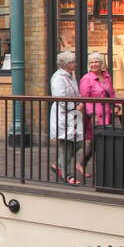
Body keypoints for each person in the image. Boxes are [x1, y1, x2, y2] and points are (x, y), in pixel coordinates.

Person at [79, 52, 116, 176]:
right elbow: (85, 99)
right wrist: (92, 114)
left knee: (105, 140)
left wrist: (117, 106)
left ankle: (87, 164)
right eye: (91, 62)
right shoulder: (86, 79)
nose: (94, 64)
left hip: (108, 112)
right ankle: (86, 164)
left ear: (101, 63)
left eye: (96, 62)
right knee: (97, 140)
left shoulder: (107, 76)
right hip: (95, 114)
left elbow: (112, 93)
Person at [50, 50, 84, 184]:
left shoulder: (71, 76)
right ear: (65, 64)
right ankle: (67, 175)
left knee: (78, 142)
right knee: (66, 146)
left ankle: (59, 165)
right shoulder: (58, 78)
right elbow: (60, 98)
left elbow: (75, 92)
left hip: (73, 115)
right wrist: (74, 107)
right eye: (72, 62)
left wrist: (80, 101)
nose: (75, 64)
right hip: (64, 115)